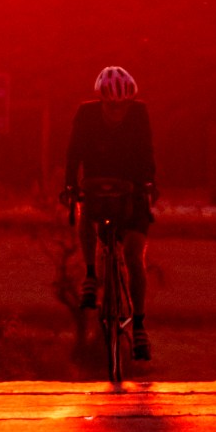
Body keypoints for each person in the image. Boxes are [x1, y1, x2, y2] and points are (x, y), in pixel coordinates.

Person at [61, 64, 156, 361]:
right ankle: (91, 274)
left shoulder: (139, 115)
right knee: (85, 208)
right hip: (97, 183)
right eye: (111, 107)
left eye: (122, 107)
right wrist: (68, 185)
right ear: (101, 101)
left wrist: (150, 185)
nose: (117, 113)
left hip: (131, 187)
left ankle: (139, 323)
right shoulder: (86, 115)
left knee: (133, 254)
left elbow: (148, 154)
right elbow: (73, 153)